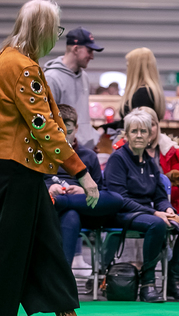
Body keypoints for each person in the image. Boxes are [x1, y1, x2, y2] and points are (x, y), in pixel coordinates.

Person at [0, 0, 121, 316]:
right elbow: (43, 125)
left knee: (46, 249)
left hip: (4, 171)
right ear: (44, 30)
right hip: (16, 171)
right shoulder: (23, 68)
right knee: (2, 253)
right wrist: (81, 172)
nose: (55, 38)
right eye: (55, 30)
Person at [104, 109, 179, 302]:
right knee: (157, 224)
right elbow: (119, 198)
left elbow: (160, 196)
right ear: (127, 134)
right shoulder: (117, 159)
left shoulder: (150, 162)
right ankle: (148, 283)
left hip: (147, 213)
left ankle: (173, 281)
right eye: (134, 131)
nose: (139, 135)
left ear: (149, 136)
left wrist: (167, 209)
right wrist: (155, 212)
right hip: (122, 212)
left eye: (143, 131)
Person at [45, 104, 123, 272]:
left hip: (82, 206)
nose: (64, 135)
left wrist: (83, 191)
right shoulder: (41, 154)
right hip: (51, 210)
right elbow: (34, 184)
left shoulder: (89, 156)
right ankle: (63, 277)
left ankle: (62, 202)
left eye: (69, 130)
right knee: (71, 215)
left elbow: (99, 191)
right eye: (58, 130)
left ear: (76, 128)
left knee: (116, 199)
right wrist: (50, 189)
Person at [43, 27, 104, 149]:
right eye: (89, 51)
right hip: (64, 151)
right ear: (76, 49)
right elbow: (47, 121)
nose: (92, 56)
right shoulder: (52, 78)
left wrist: (91, 138)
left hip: (85, 150)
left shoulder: (84, 77)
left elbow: (82, 115)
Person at [119, 47, 166, 121]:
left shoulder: (142, 94)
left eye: (128, 66)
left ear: (134, 68)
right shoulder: (150, 91)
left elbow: (135, 124)